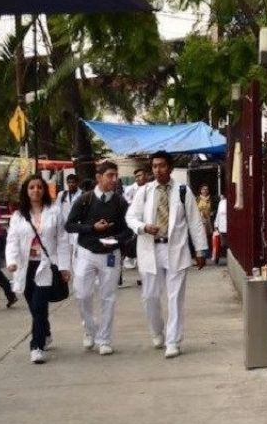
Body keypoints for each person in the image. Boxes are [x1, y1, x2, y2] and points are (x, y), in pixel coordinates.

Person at [126, 151, 208, 358]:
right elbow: (130, 217)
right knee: (150, 296)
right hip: (150, 248)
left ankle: (173, 341)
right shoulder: (144, 191)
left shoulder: (183, 191)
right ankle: (157, 331)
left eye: (162, 165)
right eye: (154, 166)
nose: (158, 170)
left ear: (170, 168)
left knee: (175, 298)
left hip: (175, 248)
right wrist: (143, 227)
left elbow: (194, 221)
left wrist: (200, 249)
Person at [65, 162, 130, 355]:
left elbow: (128, 229)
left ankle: (104, 339)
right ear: (99, 177)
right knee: (82, 294)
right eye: (110, 175)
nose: (114, 179)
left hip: (110, 255)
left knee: (108, 297)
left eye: (115, 175)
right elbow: (69, 225)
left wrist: (116, 239)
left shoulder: (120, 202)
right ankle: (89, 328)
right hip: (86, 253)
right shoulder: (85, 200)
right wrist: (92, 228)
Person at [6, 175, 72, 364]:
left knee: (39, 305)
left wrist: (64, 267)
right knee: (35, 308)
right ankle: (46, 332)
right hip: (26, 266)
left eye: (39, 187)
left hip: (46, 265)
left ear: (44, 191)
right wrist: (11, 261)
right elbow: (12, 240)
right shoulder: (18, 216)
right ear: (26, 191)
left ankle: (36, 346)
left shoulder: (55, 212)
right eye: (32, 187)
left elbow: (62, 240)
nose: (36, 190)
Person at [213, 197, 228, 265]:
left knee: (226, 244)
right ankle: (218, 257)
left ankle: (225, 258)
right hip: (222, 227)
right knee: (222, 244)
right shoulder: (221, 202)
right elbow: (218, 214)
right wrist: (216, 224)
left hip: (228, 227)